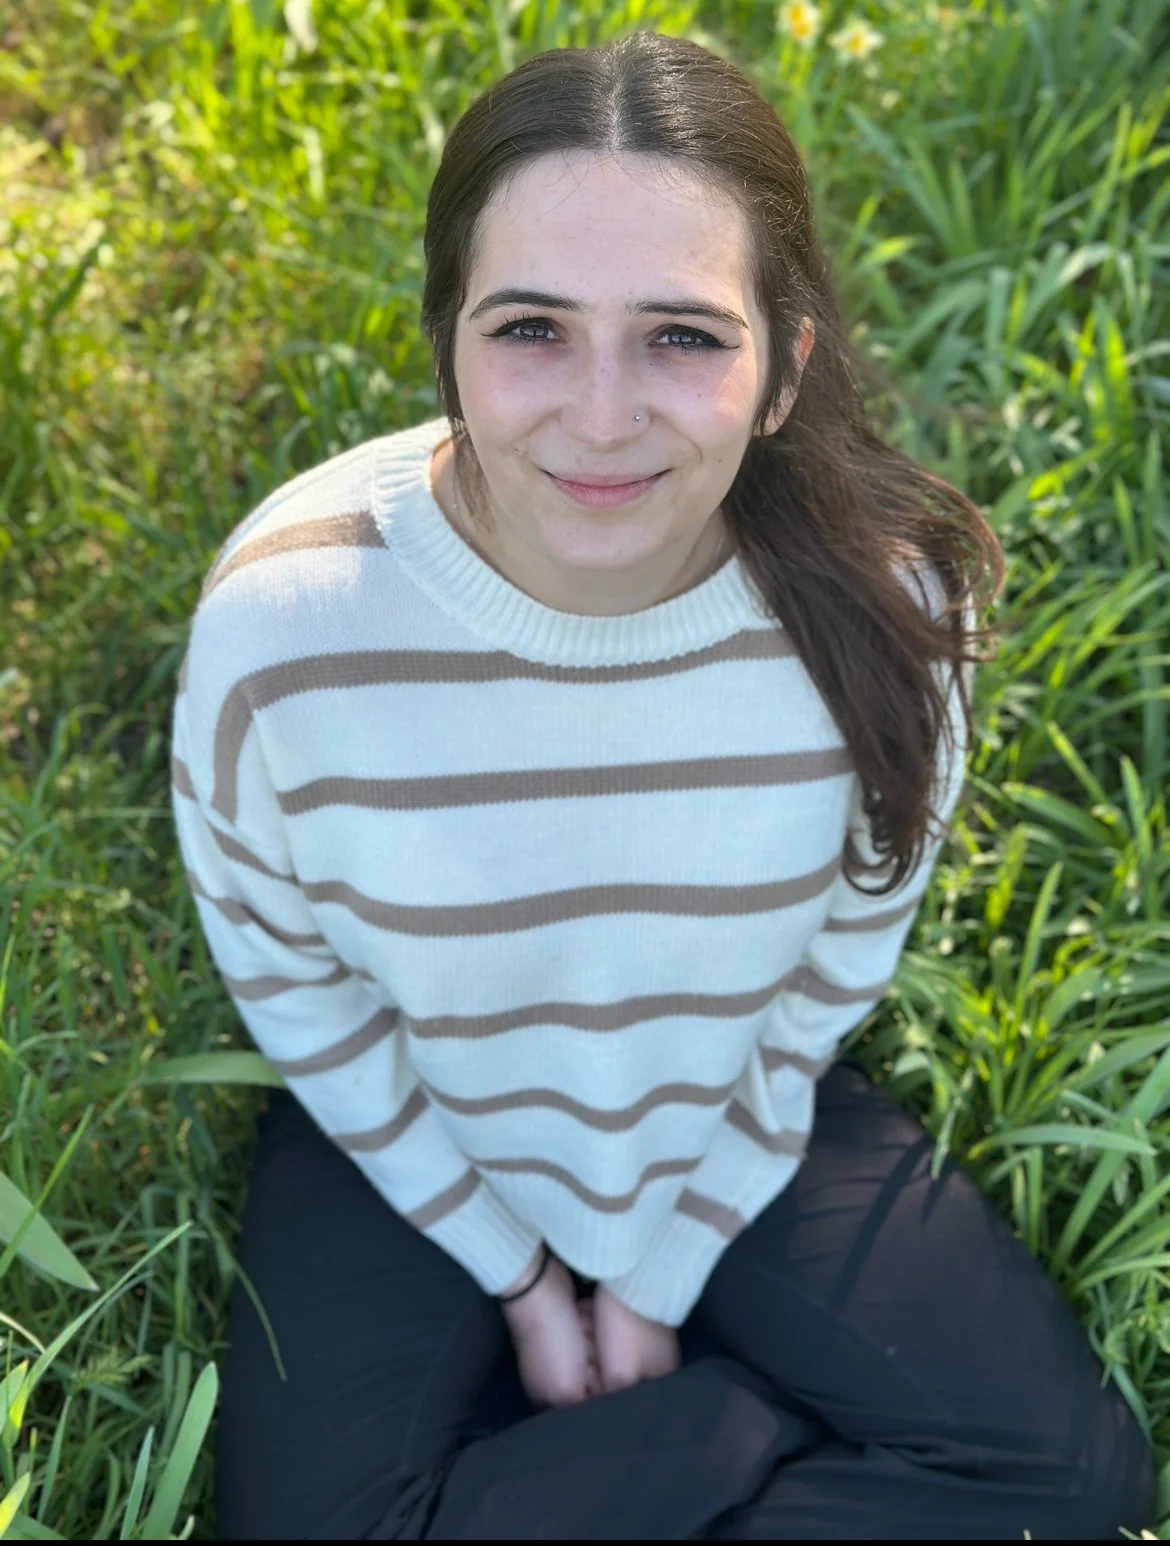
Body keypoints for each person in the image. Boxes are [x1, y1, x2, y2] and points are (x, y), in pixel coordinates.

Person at [169, 30, 1157, 1541]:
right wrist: (510, 1265)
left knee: (1067, 1477)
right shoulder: (284, 624)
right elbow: (291, 975)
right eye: (531, 330)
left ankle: (661, 1434)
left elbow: (835, 961)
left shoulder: (886, 616)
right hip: (403, 1119)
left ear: (782, 370)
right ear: (444, 340)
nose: (604, 414)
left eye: (682, 336)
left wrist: (654, 1271)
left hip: (730, 1104)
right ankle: (752, 1421)